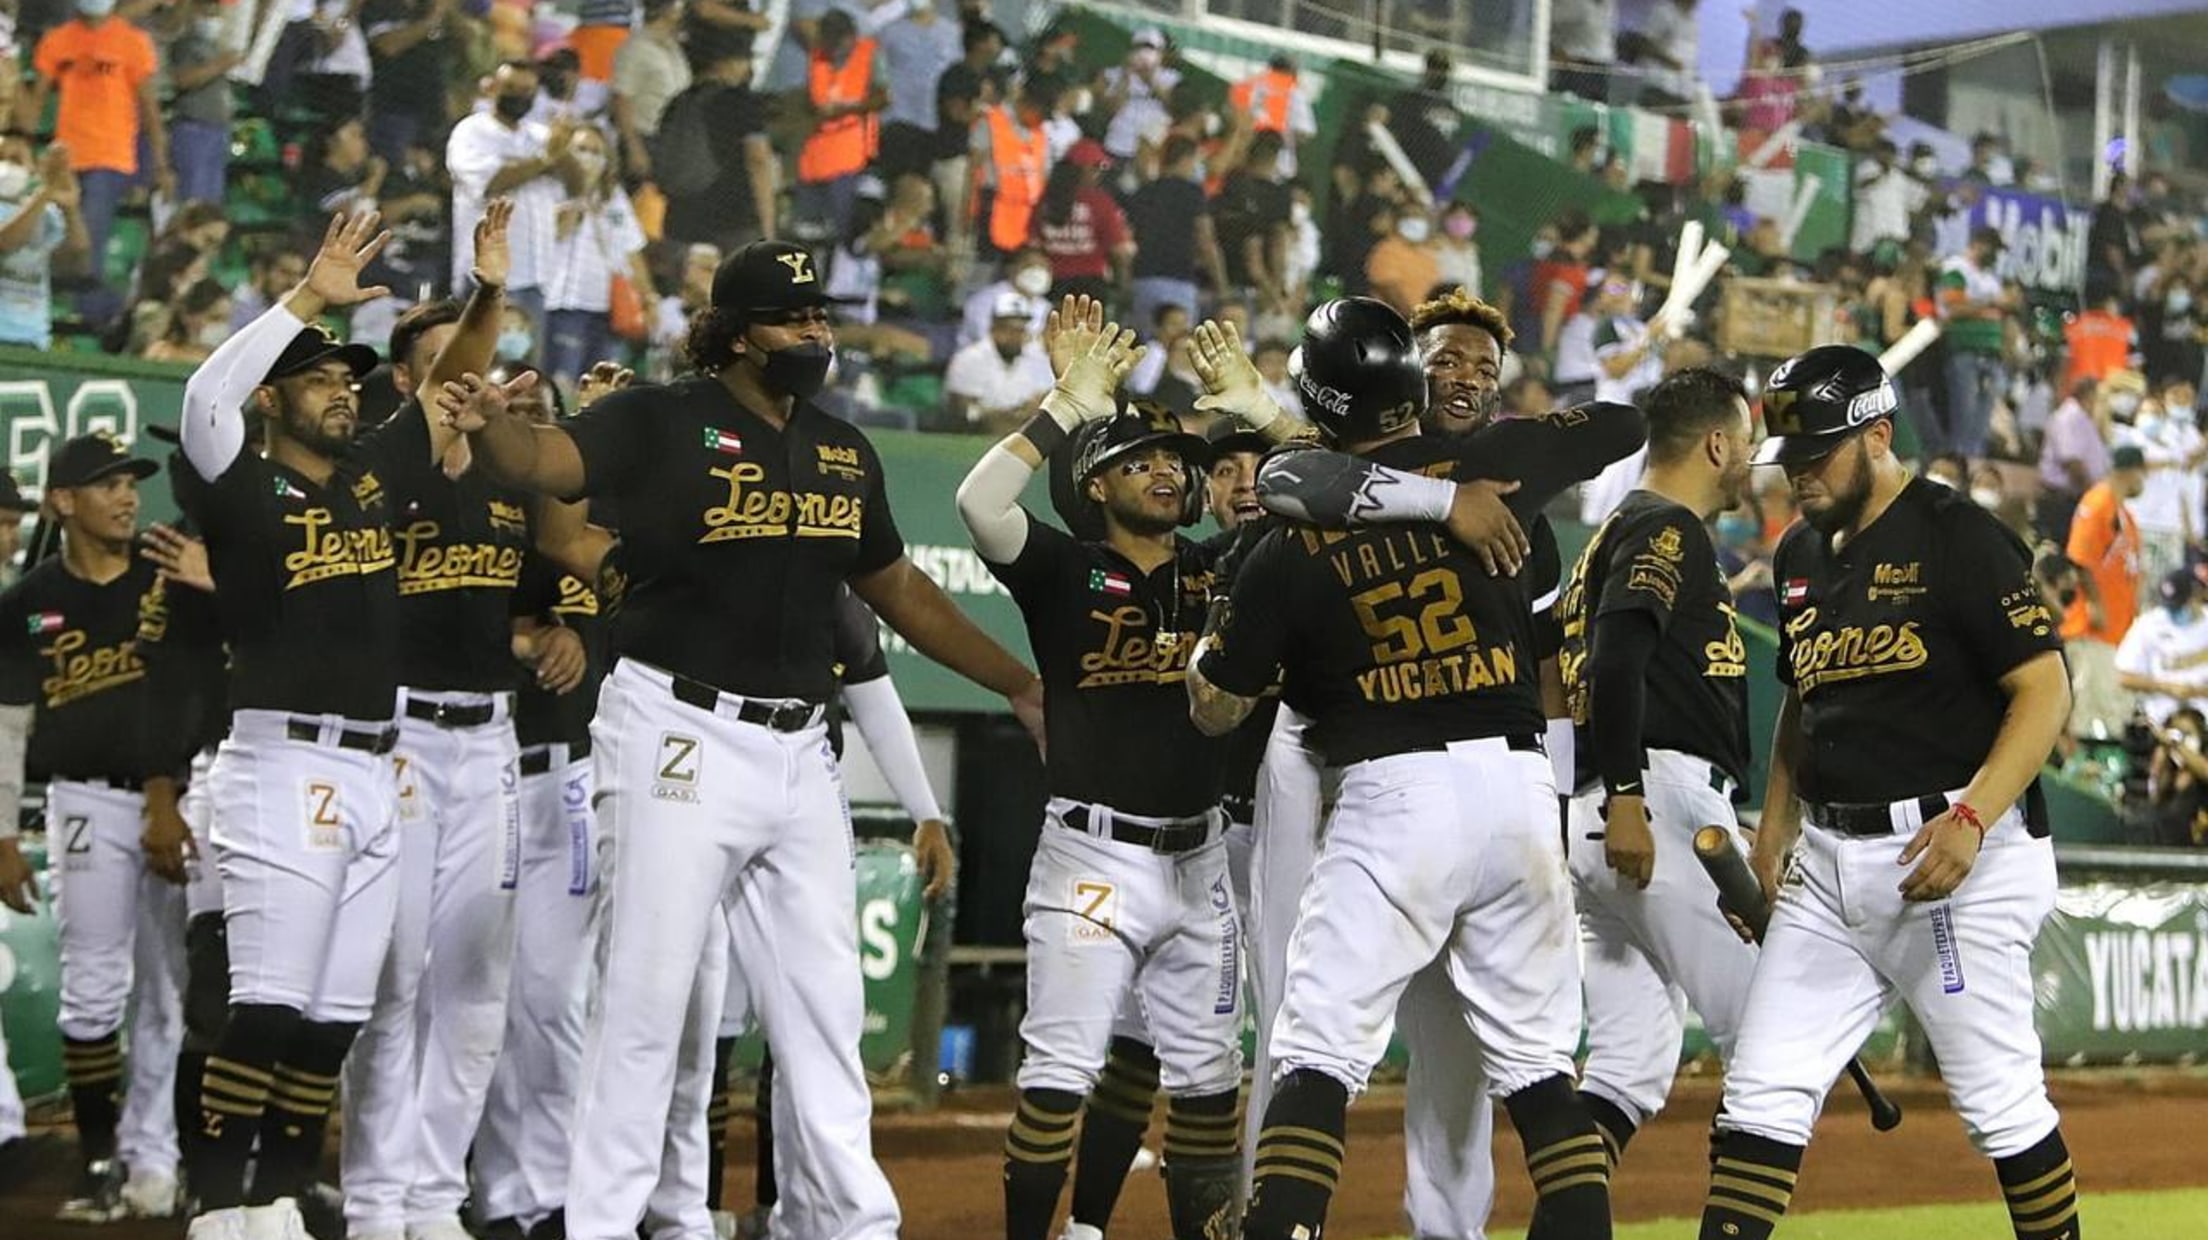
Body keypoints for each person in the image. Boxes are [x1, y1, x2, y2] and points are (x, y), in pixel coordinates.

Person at [439, 238, 1045, 1240]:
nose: (815, 332)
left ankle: (853, 1224)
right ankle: (600, 1226)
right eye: (792, 318)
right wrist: (495, 424)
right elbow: (542, 464)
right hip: (677, 728)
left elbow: (899, 589)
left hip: (800, 748)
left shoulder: (843, 447)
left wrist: (1017, 683)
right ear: (734, 334)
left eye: (820, 315)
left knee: (825, 1008)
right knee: (644, 1006)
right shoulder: (658, 417)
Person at [1187, 297, 1644, 1240]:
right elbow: (1624, 425)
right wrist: (1461, 486)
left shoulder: (1283, 539)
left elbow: (1217, 707)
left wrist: (1203, 647)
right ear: (1411, 379)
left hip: (1392, 794)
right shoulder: (1501, 466)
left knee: (1315, 1054)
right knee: (1542, 1076)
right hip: (1519, 793)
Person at [1702, 344, 2077, 1240]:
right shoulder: (1798, 553)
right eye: (1788, 457)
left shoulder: (1957, 535)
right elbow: (1803, 701)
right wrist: (1774, 831)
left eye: (1816, 452)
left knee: (1999, 1104)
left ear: (1876, 435)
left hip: (1951, 858)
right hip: (1829, 862)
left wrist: (1972, 817)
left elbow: (2045, 689)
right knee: (1759, 1095)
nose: (1798, 474)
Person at [952, 301, 1249, 1240]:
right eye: (1139, 460)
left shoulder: (1219, 568)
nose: (1166, 471)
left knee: (1210, 1083)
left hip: (1202, 860)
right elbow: (979, 504)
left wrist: (1260, 407)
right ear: (1095, 482)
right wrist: (1065, 408)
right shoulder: (1061, 569)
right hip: (1093, 858)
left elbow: (1320, 512)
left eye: (1177, 462)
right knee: (1058, 1078)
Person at [169, 212, 409, 1240]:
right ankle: (222, 1207)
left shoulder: (365, 485)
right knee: (265, 1005)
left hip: (377, 767)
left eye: (349, 379)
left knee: (333, 1020)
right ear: (272, 398)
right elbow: (201, 397)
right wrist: (307, 297)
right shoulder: (241, 483)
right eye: (319, 379)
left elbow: (445, 405)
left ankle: (276, 1196)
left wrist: (488, 301)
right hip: (280, 757)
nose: (343, 390)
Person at [337, 204, 532, 1240]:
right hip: (400, 738)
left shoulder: (507, 483)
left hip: (491, 738)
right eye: (448, 364)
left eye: (478, 359)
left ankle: (431, 1194)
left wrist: (558, 628)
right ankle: (375, 1198)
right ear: (409, 383)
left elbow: (558, 587)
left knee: (477, 978)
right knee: (397, 973)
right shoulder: (383, 474)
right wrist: (487, 291)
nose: (469, 376)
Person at [1556, 367, 1760, 1188]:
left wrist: (1592, 796)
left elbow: (1563, 673)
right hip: (1649, 800)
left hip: (1608, 809)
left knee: (1628, 1066)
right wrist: (1629, 797)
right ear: (1716, 444)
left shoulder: (1610, 534)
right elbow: (1615, 663)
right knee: (1769, 1037)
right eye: (1744, 442)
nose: (1750, 458)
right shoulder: (1666, 529)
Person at [705, 580, 954, 1240]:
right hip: (704, 794)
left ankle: (787, 1209)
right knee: (703, 1022)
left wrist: (926, 812)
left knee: (809, 1025)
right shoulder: (711, 578)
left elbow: (874, 694)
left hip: (806, 801)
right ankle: (690, 1209)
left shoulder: (833, 593)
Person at [0, 433, 184, 1223]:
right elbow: (9, 725)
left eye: (130, 482)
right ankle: (102, 1161)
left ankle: (157, 1154)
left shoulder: (168, 576)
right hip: (82, 800)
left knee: (170, 989)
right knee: (93, 988)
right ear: (62, 502)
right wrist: (2, 837)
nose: (127, 496)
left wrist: (168, 795)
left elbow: (194, 690)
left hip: (179, 800)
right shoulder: (26, 603)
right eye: (106, 484)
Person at [470, 362, 614, 1240]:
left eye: (536, 415)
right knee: (478, 996)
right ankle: (497, 1192)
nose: (520, 427)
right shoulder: (466, 515)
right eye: (508, 413)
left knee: (555, 998)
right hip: (481, 769)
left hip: (571, 775)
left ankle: (554, 1193)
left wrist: (572, 635)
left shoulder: (598, 527)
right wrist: (526, 638)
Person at [25, 0, 168, 298]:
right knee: (55, 232)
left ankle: (86, 308)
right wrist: (26, 142)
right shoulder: (58, 39)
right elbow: (37, 97)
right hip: (66, 153)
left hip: (110, 154)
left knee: (89, 239)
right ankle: (53, 302)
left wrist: (160, 162)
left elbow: (148, 106)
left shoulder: (132, 41)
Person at [0, 135, 91, 350]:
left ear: (31, 169)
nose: (8, 166)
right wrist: (46, 191)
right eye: (2, 158)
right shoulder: (41, 202)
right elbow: (5, 243)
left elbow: (77, 261)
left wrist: (71, 208)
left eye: (16, 160)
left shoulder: (47, 213)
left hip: (33, 340)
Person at [2062, 443, 2146, 647]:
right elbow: (2079, 558)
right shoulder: (2098, 503)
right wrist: (2094, 603)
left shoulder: (2125, 515)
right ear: (2131, 472)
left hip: (2117, 631)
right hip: (2092, 629)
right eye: (2143, 474)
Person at [944, 292, 1055, 434]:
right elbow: (962, 412)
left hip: (1023, 432)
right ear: (994, 328)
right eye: (1008, 329)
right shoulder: (968, 359)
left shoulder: (1035, 359)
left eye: (1020, 330)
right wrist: (1000, 415)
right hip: (975, 435)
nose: (1014, 336)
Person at [2115, 568, 2208, 732]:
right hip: (2161, 719)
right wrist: (2166, 687)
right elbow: (2125, 677)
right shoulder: (2149, 625)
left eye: (2181, 604)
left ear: (2196, 594)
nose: (2174, 611)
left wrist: (2196, 691)